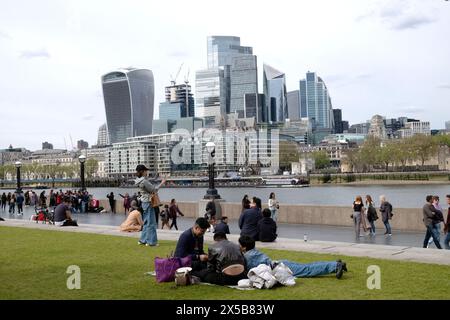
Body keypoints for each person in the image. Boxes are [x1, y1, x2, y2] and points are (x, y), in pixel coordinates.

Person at [239, 235, 347, 279]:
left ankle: (336, 266)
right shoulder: (254, 251)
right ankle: (335, 264)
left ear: (244, 247)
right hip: (280, 264)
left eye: (240, 245)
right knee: (307, 267)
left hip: (280, 268)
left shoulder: (248, 257)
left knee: (308, 270)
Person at [135, 164, 166, 246]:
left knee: (146, 222)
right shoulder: (144, 181)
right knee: (151, 223)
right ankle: (151, 242)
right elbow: (154, 189)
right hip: (148, 202)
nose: (147, 172)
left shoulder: (138, 180)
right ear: (143, 171)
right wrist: (162, 183)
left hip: (144, 202)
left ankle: (143, 240)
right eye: (145, 170)